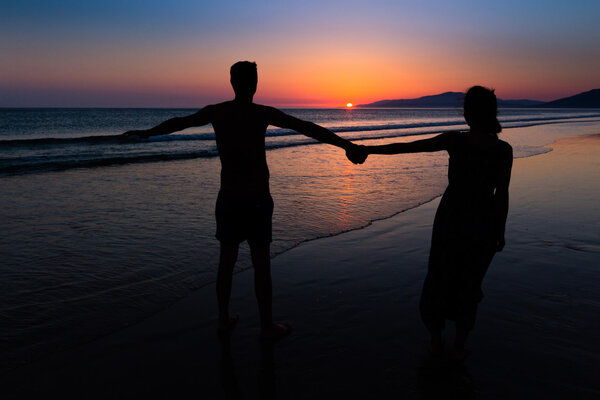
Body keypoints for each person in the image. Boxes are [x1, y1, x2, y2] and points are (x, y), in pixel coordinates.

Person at [123, 61, 366, 340]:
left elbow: (181, 122)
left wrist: (147, 132)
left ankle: (224, 321)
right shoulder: (261, 113)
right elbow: (307, 127)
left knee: (226, 262)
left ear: (232, 83)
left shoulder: (218, 112)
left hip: (229, 198)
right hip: (258, 199)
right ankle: (265, 326)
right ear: (255, 84)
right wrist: (345, 144)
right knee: (261, 265)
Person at [359, 86, 513, 359]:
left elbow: (408, 148)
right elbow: (501, 194)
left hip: (451, 217)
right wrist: (500, 230)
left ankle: (435, 339)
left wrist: (368, 149)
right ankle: (459, 344)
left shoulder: (456, 141)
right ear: (492, 113)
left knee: (440, 277)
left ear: (466, 114)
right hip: (483, 221)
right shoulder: (502, 149)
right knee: (470, 282)